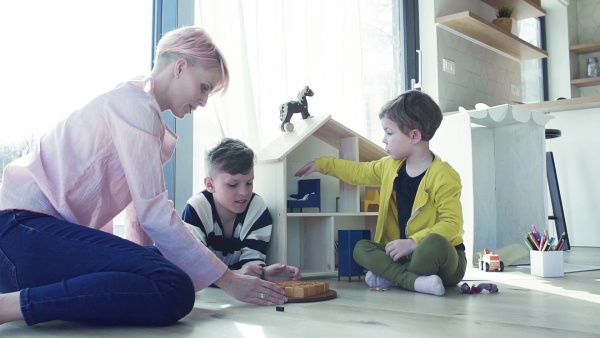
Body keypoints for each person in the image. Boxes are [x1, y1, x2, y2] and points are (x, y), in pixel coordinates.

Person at [0, 26, 287, 328]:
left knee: (164, 263)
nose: (203, 101)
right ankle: (9, 307)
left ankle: (24, 300)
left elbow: (137, 215)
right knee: (173, 286)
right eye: (204, 87)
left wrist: (145, 263)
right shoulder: (135, 107)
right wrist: (229, 281)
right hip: (20, 234)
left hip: (25, 244)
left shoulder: (135, 107)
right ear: (180, 67)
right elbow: (155, 213)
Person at [295, 90, 466, 296]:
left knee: (432, 243)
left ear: (414, 136)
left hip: (443, 260)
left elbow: (452, 224)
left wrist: (413, 243)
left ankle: (397, 277)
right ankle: (413, 281)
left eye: (389, 133)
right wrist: (321, 164)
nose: (383, 139)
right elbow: (357, 172)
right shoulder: (389, 166)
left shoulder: (444, 175)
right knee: (361, 248)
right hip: (404, 257)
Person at [182, 137, 300, 282]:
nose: (244, 192)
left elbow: (251, 264)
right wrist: (236, 275)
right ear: (210, 184)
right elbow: (195, 268)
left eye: (249, 183)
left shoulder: (257, 208)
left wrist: (262, 273)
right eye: (233, 184)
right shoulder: (197, 208)